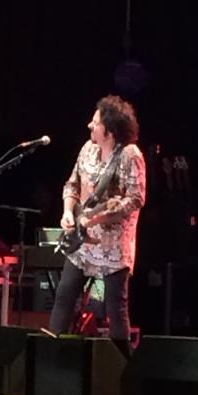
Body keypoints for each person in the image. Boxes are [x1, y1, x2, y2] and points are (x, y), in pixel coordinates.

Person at [49, 95, 146, 354]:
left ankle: (121, 364)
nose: (90, 126)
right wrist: (67, 212)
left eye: (96, 122)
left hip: (113, 246)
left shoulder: (130, 155)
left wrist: (97, 218)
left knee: (116, 307)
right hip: (82, 241)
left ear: (110, 130)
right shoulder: (87, 149)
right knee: (64, 295)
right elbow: (72, 184)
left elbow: (136, 198)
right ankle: (49, 355)